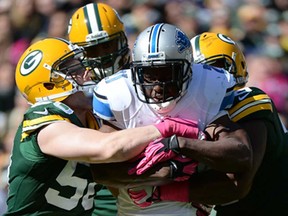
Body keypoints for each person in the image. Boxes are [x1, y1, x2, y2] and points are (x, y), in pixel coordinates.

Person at [4, 37, 195, 215]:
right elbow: (108, 148)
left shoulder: (89, 120)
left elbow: (112, 175)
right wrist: (166, 127)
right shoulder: (43, 121)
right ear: (48, 85)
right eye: (74, 69)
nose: (86, 72)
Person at [92, 23, 240, 215]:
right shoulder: (118, 94)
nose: (158, 86)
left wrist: (181, 144)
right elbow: (101, 171)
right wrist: (172, 169)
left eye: (166, 73)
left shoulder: (210, 86)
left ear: (188, 70)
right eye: (149, 75)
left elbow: (240, 159)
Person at [67, 2, 130, 215]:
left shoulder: (144, 80)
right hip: (91, 200)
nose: (103, 55)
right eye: (93, 50)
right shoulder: (72, 93)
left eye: (108, 45)